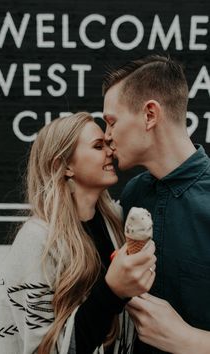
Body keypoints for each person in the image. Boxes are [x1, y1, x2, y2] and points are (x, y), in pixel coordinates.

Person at [0, 112, 156, 354]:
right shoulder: (37, 239)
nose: (110, 151)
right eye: (98, 145)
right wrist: (112, 291)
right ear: (63, 166)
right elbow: (43, 349)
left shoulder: (117, 220)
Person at [102, 55, 210, 354]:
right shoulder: (134, 193)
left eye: (111, 122)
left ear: (150, 115)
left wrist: (193, 342)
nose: (107, 136)